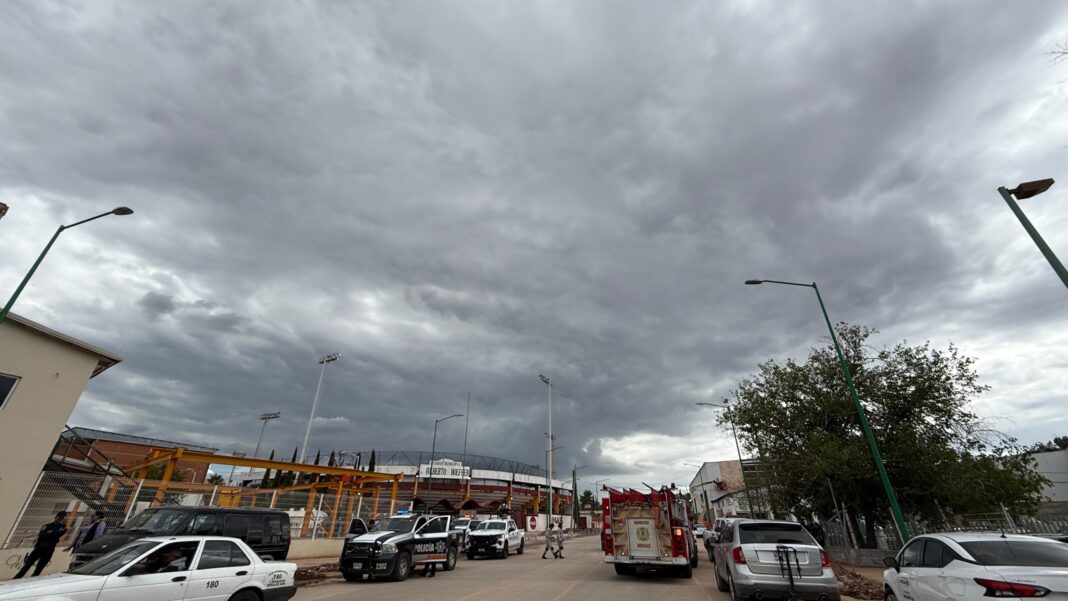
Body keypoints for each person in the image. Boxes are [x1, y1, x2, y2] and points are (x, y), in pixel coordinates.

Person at [14, 512, 68, 579]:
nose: (60, 519)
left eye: (62, 518)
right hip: (39, 547)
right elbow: (41, 534)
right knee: (28, 564)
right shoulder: (47, 526)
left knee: (40, 566)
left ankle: (32, 579)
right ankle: (16, 578)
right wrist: (53, 533)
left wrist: (51, 532)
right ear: (56, 517)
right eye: (59, 517)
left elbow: (60, 534)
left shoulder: (63, 527)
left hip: (49, 549)